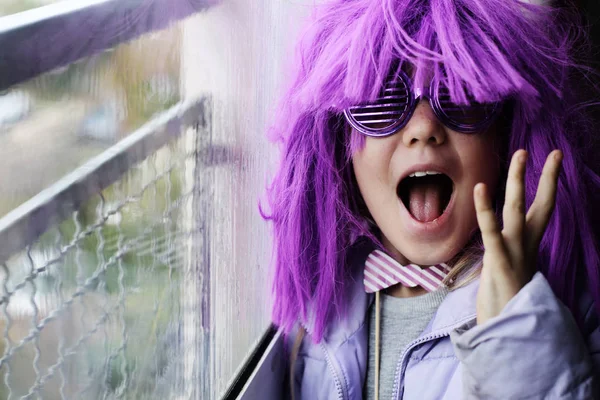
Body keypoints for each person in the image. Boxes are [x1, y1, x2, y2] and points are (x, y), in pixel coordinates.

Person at [262, 0, 600, 398]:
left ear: (504, 136)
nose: (423, 128)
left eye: (459, 98)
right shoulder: (321, 308)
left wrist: (515, 329)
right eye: (381, 103)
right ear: (340, 143)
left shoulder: (560, 303)